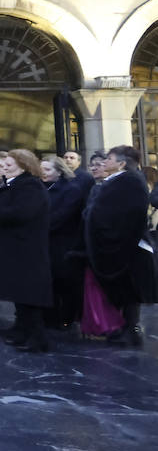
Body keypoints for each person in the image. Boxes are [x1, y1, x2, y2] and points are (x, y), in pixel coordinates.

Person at [0, 149, 53, 352]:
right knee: (20, 292)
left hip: (26, 248)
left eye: (9, 164)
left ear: (24, 166)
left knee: (29, 293)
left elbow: (22, 213)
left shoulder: (30, 186)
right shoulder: (17, 185)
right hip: (15, 246)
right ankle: (22, 329)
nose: (4, 167)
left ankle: (36, 336)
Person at [85, 145, 154, 347]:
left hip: (126, 246)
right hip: (114, 244)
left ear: (121, 163)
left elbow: (128, 214)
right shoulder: (116, 181)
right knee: (123, 289)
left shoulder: (130, 181)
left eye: (109, 159)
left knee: (130, 290)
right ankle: (124, 327)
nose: (104, 162)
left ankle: (131, 329)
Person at [40, 154, 85, 329]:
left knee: (64, 282)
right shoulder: (40, 188)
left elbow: (61, 217)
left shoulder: (71, 189)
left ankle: (66, 317)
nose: (43, 173)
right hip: (45, 241)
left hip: (64, 242)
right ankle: (49, 316)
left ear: (59, 171)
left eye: (48, 169)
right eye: (41, 169)